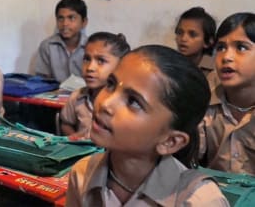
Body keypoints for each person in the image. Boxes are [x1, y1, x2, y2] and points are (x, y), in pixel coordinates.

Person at [66, 45, 228, 206]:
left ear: (170, 141)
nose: (106, 103)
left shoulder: (201, 200)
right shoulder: (82, 173)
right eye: (110, 84)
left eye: (134, 102)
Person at [199, 12, 255, 175]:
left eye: (241, 47)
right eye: (221, 47)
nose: (226, 57)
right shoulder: (204, 102)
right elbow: (187, 159)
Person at [60, 32, 130, 139]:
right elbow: (66, 123)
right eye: (87, 59)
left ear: (120, 65)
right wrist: (74, 139)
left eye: (101, 60)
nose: (90, 68)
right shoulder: (77, 97)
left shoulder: (124, 104)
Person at [35, 0, 88, 82]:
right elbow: (42, 81)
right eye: (60, 18)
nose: (65, 23)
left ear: (84, 22)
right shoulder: (47, 46)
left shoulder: (91, 47)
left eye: (71, 18)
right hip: (55, 93)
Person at [174, 6, 216, 77]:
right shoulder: (169, 65)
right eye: (180, 32)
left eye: (192, 34)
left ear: (208, 42)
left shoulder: (216, 69)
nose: (183, 39)